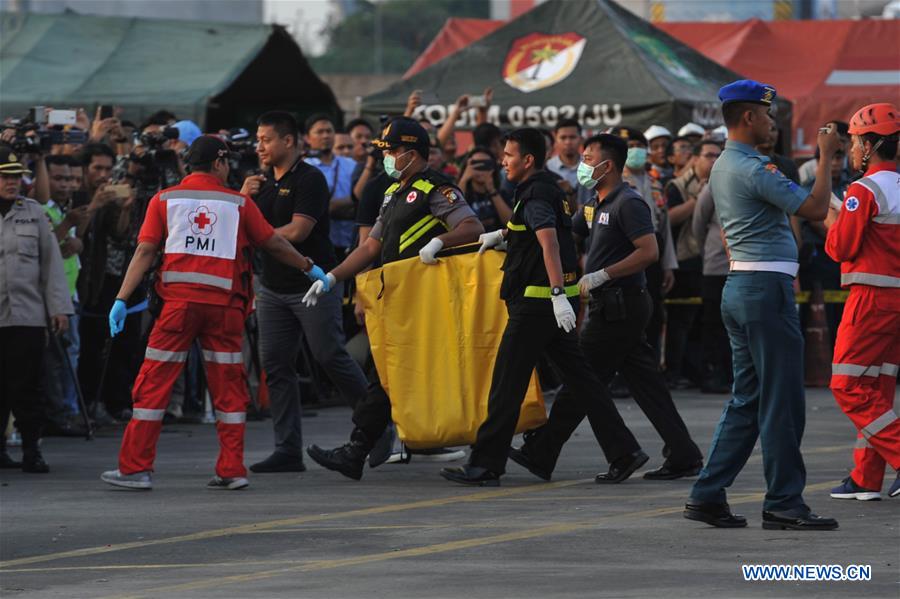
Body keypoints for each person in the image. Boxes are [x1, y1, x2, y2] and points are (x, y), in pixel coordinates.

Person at [100, 135, 328, 491]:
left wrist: (121, 298)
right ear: (220, 163)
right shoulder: (238, 203)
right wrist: (308, 267)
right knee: (228, 389)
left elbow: (144, 252)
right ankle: (232, 469)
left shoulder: (164, 200)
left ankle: (135, 469)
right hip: (224, 309)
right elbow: (273, 243)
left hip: (177, 309)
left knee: (153, 385)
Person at [441, 129, 647, 486]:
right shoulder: (547, 189)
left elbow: (548, 242)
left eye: (509, 155)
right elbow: (533, 228)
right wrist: (502, 236)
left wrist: (555, 293)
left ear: (528, 160)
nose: (503, 161)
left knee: (507, 385)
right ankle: (624, 451)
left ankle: (485, 465)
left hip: (537, 305)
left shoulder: (535, 192)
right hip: (551, 306)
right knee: (583, 383)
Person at [684, 79, 840, 531]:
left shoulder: (726, 164)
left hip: (744, 287)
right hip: (765, 291)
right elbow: (815, 208)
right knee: (782, 400)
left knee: (748, 399)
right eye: (768, 115)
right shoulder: (753, 168)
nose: (772, 123)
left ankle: (708, 494)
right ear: (749, 117)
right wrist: (825, 156)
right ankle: (784, 502)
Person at [303, 117, 484, 481]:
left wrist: (439, 241)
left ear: (412, 154)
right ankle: (357, 450)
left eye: (391, 151)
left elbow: (472, 227)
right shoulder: (393, 193)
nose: (386, 158)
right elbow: (371, 246)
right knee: (385, 375)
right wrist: (333, 277)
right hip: (399, 302)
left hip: (428, 303)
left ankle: (360, 450)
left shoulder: (436, 189)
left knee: (399, 374)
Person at [244, 111, 368, 474]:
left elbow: (298, 231)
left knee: (330, 355)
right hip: (273, 287)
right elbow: (238, 226)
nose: (260, 147)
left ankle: (376, 426)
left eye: (266, 139)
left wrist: (257, 235)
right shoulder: (259, 183)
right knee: (276, 364)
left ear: (289, 141)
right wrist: (242, 198)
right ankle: (287, 449)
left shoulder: (310, 179)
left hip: (314, 282)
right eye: (258, 140)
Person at [824, 103, 900, 501]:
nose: (852, 150)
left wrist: (832, 219)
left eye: (855, 142)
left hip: (871, 299)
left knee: (848, 384)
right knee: (877, 388)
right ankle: (866, 477)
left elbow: (841, 248)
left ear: (870, 146)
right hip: (895, 300)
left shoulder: (863, 191)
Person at [0, 146, 73, 472]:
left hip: (27, 316)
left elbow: (52, 265)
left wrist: (58, 309)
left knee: (29, 387)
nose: (11, 182)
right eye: (5, 176)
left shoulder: (32, 213)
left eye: (15, 176)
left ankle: (32, 449)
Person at [616, 126, 677, 360]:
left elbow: (665, 226)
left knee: (652, 313)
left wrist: (668, 265)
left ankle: (649, 365)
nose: (635, 151)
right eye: (630, 147)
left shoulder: (655, 182)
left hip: (653, 255)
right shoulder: (615, 181)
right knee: (626, 313)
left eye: (639, 146)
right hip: (625, 252)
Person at [663, 141, 720, 390]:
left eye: (718, 155)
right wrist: (699, 199)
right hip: (684, 260)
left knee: (704, 322)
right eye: (709, 155)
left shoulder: (723, 183)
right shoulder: (676, 186)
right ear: (695, 159)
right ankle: (674, 371)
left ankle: (699, 372)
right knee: (680, 321)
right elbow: (669, 218)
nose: (714, 160)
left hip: (709, 261)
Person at [691, 174, 732, 394]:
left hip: (740, 266)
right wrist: (707, 251)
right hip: (716, 266)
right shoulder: (713, 186)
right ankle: (711, 373)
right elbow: (698, 224)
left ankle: (730, 373)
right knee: (713, 325)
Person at [304, 114, 358, 257]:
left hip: (349, 242)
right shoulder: (304, 167)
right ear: (307, 138)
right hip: (318, 245)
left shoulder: (351, 164)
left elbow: (361, 200)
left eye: (329, 131)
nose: (326, 135)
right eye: (320, 132)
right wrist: (350, 202)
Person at [457, 147, 511, 231]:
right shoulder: (464, 193)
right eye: (476, 164)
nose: (481, 169)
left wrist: (492, 190)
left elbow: (510, 222)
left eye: (486, 164)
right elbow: (455, 209)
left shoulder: (500, 193)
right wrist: (464, 179)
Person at [546, 119, 592, 209]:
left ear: (581, 139)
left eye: (572, 137)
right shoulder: (548, 167)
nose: (568, 142)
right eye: (563, 138)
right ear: (556, 140)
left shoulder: (591, 167)